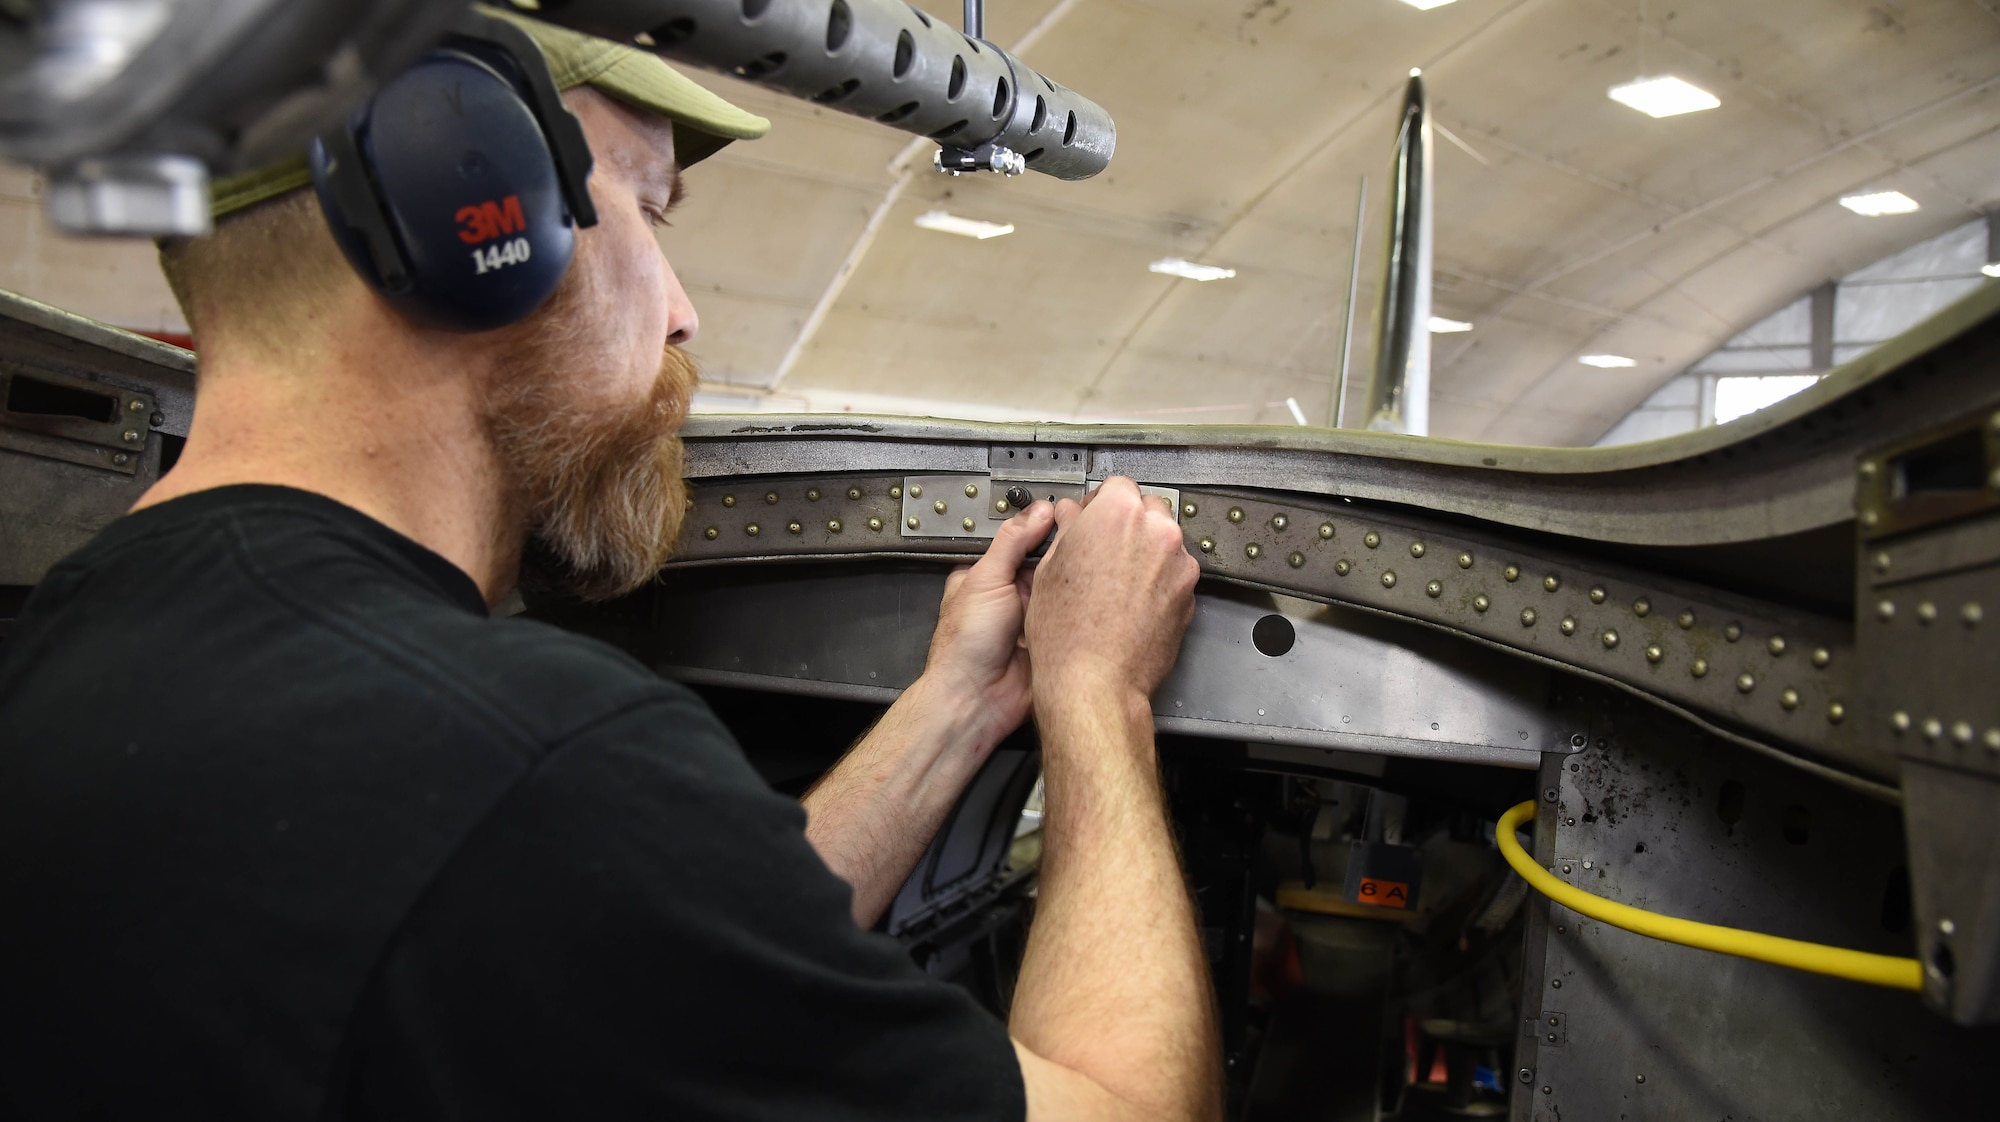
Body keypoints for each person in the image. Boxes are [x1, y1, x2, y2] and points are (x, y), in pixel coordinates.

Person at [0, 12, 1215, 1121]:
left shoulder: (81, 640)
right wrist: (1092, 693)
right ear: (467, 207)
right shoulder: (525, 756)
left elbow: (660, 945)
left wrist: (955, 705)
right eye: (650, 207)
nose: (682, 312)